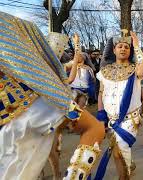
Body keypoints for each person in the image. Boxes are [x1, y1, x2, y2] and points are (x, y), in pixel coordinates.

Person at [0, 12, 105, 180]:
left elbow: (69, 78)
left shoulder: (56, 73)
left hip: (55, 103)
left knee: (52, 150)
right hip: (54, 104)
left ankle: (56, 174)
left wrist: (77, 47)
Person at [96, 29, 143, 180]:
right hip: (111, 120)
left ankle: (124, 177)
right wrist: (101, 115)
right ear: (113, 50)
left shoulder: (135, 69)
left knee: (119, 150)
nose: (123, 49)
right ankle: (129, 164)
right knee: (119, 150)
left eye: (127, 47)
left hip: (129, 119)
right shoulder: (105, 71)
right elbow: (101, 93)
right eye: (120, 46)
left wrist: (137, 46)